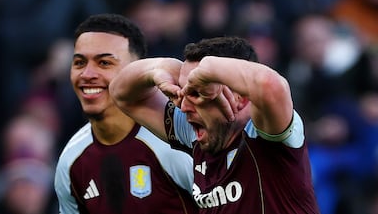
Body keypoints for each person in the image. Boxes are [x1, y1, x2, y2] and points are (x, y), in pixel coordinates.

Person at [110, 36, 320, 213]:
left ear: (240, 98)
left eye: (197, 93)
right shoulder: (197, 134)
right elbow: (122, 94)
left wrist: (210, 68)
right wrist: (160, 68)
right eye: (182, 91)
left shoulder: (265, 133)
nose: (184, 107)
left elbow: (270, 84)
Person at [54, 13, 197, 214]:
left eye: (104, 63)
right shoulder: (71, 160)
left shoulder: (179, 143)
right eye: (79, 63)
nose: (87, 74)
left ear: (135, 72)